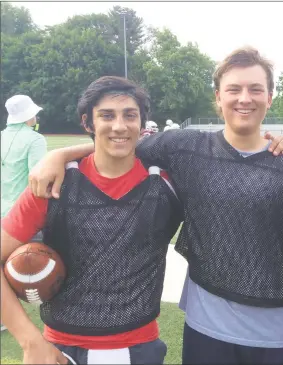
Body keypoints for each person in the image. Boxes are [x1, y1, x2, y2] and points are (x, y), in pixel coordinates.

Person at [28, 47, 283, 365]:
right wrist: (58, 155)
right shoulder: (185, 147)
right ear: (218, 97)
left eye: (255, 89)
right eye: (234, 89)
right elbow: (119, 142)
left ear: (269, 97)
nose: (244, 98)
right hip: (206, 327)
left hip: (276, 332)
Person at [1, 76, 183, 364]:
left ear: (142, 124)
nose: (120, 126)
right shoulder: (54, 184)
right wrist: (30, 341)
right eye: (106, 115)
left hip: (138, 347)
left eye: (129, 115)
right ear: (88, 123)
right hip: (61, 348)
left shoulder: (166, 183)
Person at [1, 94, 47, 332]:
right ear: (29, 115)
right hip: (23, 216)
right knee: (41, 263)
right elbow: (39, 180)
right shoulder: (35, 139)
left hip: (1, 213)